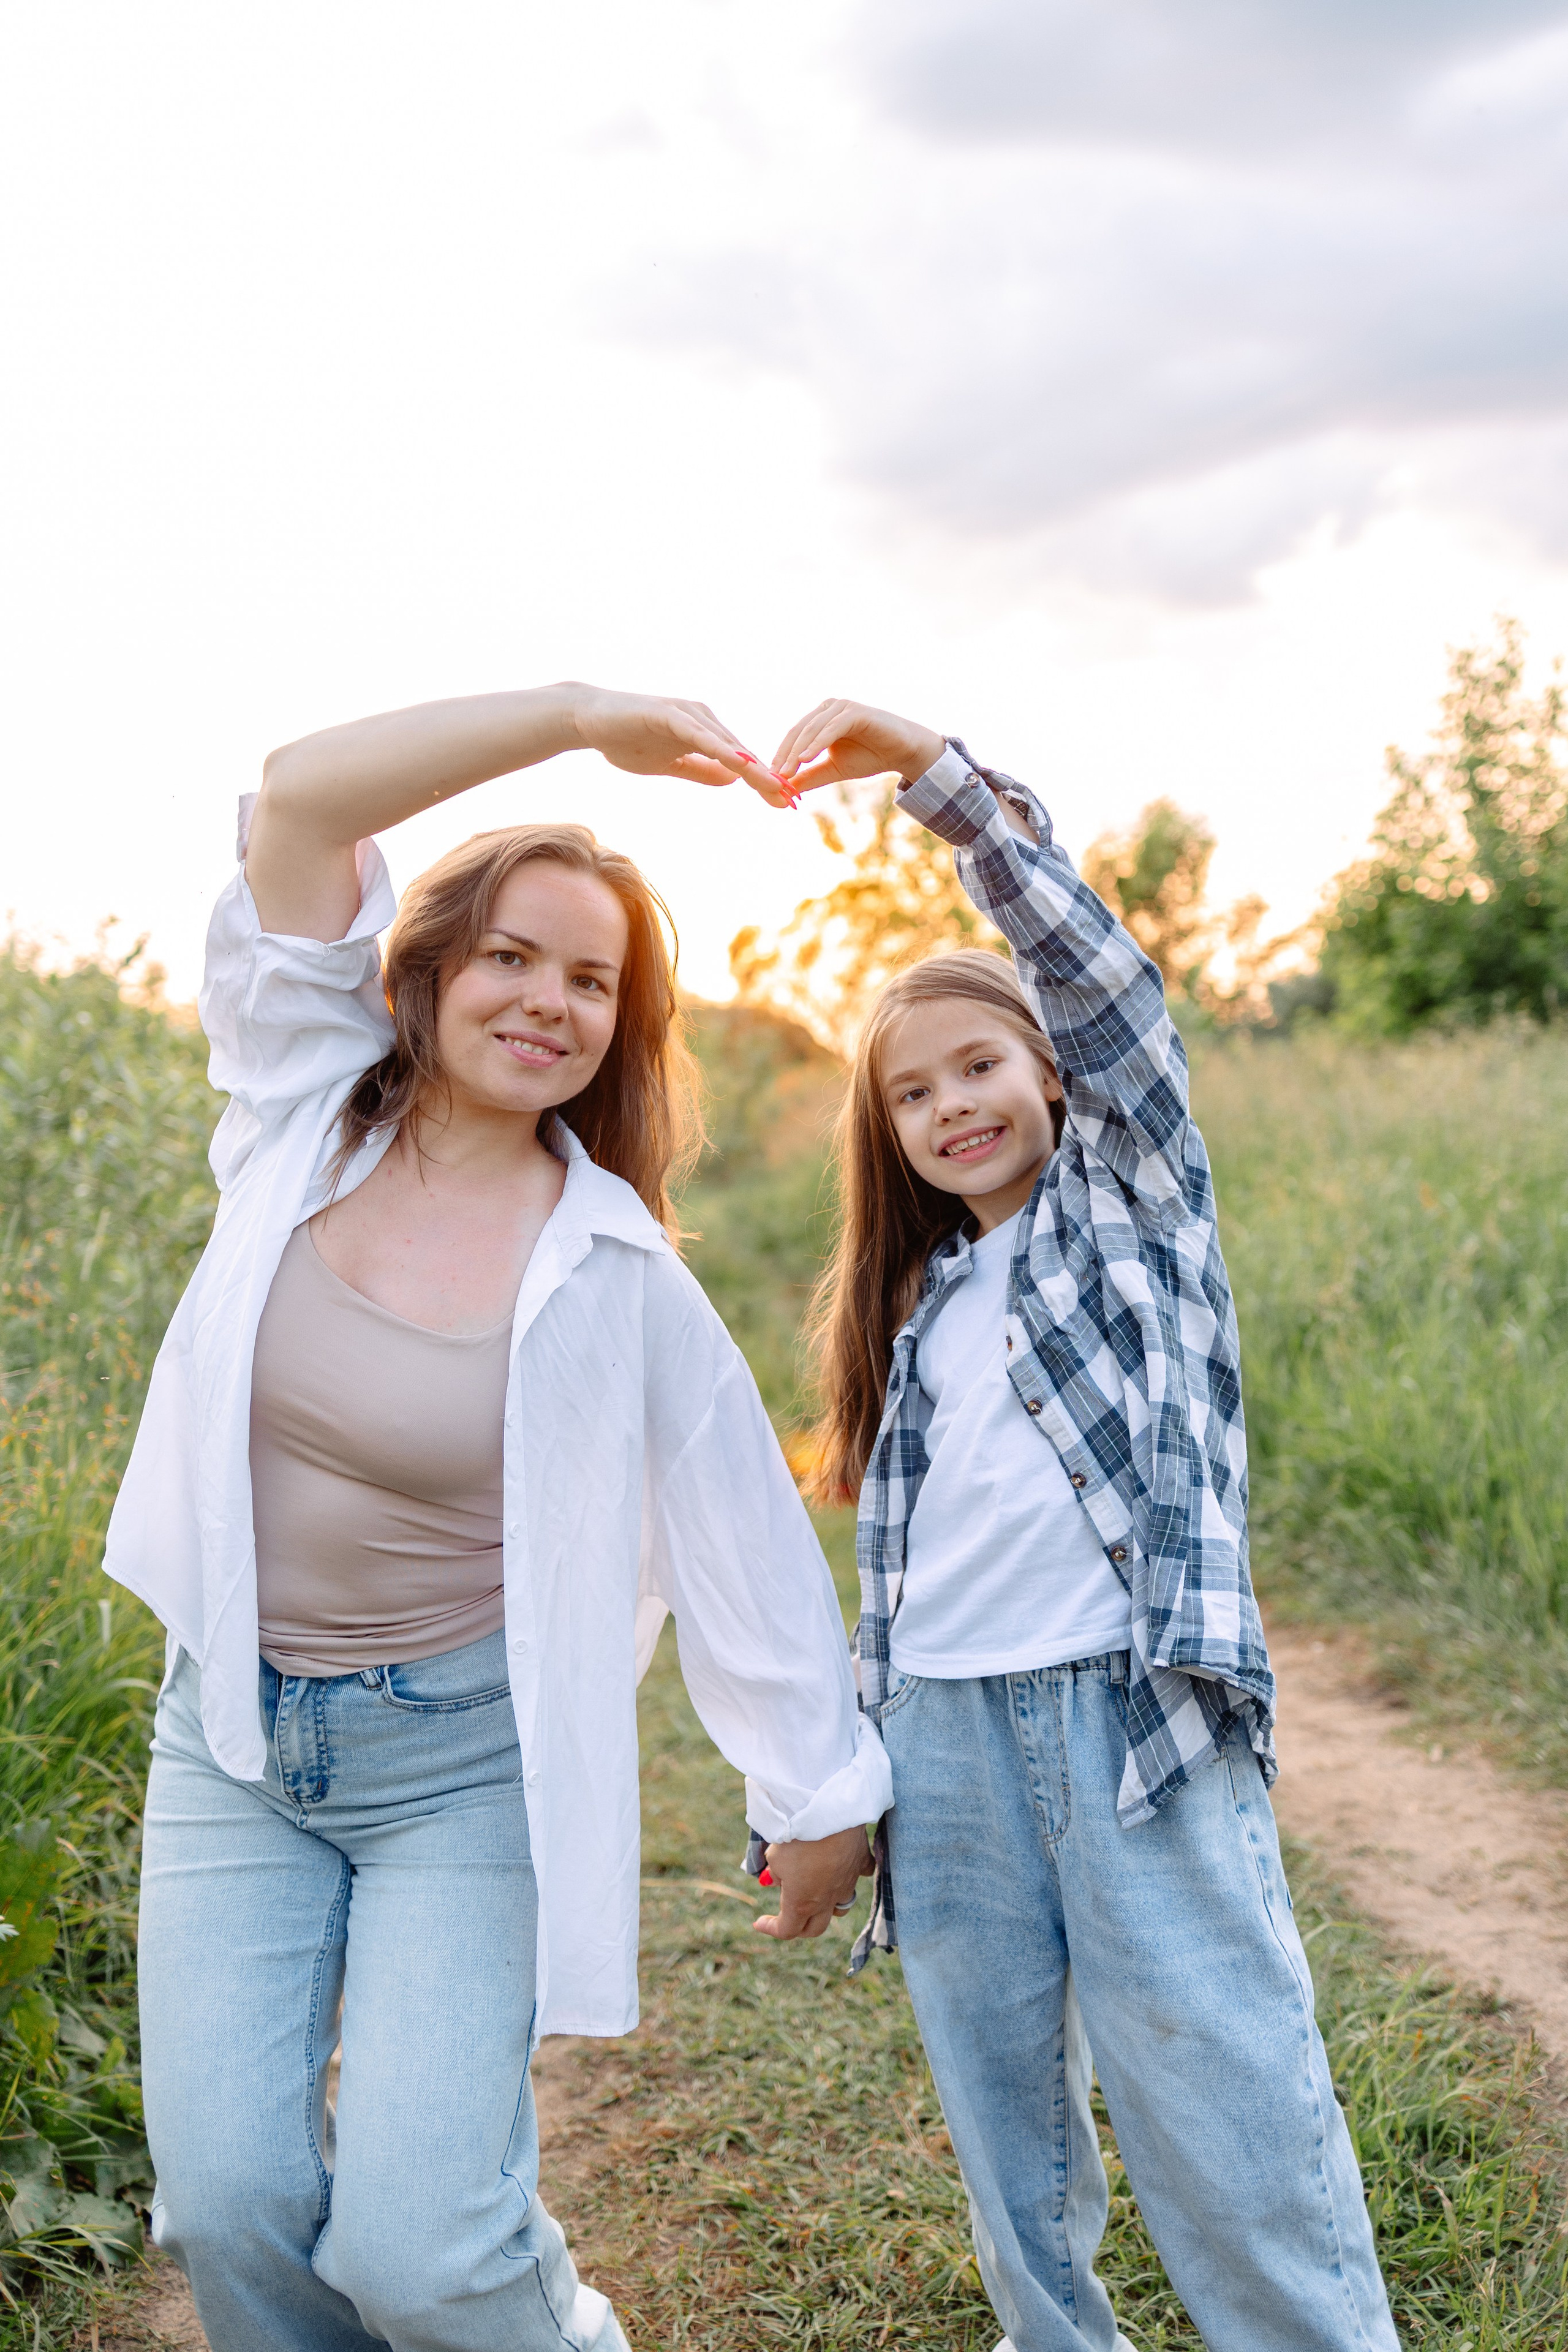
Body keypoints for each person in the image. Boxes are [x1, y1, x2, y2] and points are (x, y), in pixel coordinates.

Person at [105, 684, 887, 2352]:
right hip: (232, 1734)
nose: (549, 1000)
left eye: (593, 979)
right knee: (230, 2202)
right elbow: (295, 799)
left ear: (624, 1026)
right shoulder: (303, 1106)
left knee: (426, 2253)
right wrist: (581, 720)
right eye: (515, 956)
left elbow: (741, 1531)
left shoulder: (615, 1272)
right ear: (433, 968)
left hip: (462, 1765)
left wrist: (818, 1794)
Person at [771, 698, 1400, 2352]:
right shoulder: (919, 1309)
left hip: (1125, 1716)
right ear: (889, 1135)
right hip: (946, 1740)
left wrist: (945, 789)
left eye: (980, 1065)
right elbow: (900, 1584)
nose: (951, 1107)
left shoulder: (1134, 1206)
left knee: (1222, 2084)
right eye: (912, 1095)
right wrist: (835, 1771)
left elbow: (1111, 987)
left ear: (1052, 1070)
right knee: (1004, 2117)